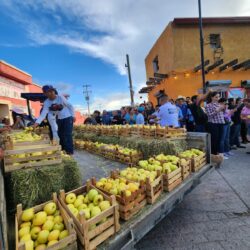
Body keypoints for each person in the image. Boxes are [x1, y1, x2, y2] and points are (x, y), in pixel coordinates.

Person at [34, 85, 75, 155]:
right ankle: (62, 150)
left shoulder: (60, 97)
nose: (51, 93)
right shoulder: (46, 102)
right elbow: (43, 113)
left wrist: (73, 116)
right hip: (59, 119)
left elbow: (70, 106)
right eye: (48, 92)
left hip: (68, 117)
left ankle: (69, 152)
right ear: (45, 94)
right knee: (60, 135)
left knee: (67, 135)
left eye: (52, 91)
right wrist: (37, 122)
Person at [205, 91, 226, 157]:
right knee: (214, 140)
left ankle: (219, 154)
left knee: (221, 139)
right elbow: (209, 115)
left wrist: (224, 109)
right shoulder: (208, 105)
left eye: (219, 97)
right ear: (212, 97)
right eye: (216, 97)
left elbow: (222, 114)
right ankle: (213, 155)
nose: (218, 98)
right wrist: (217, 110)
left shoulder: (219, 104)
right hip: (213, 124)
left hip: (221, 123)